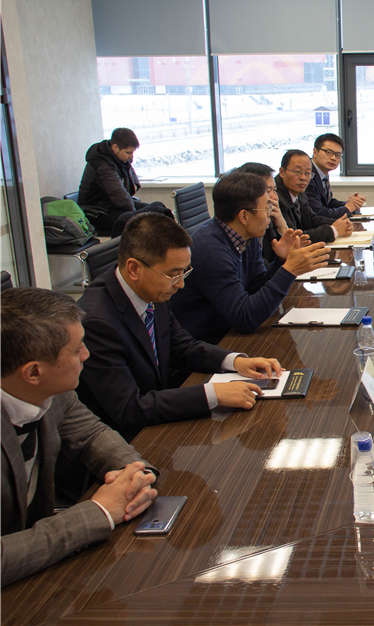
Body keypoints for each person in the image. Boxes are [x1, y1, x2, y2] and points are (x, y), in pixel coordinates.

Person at [76, 213, 283, 441]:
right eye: (173, 274)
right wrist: (212, 394)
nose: (181, 284)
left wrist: (235, 362)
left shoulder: (151, 288)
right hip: (128, 439)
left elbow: (181, 345)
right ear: (134, 269)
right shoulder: (96, 323)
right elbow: (129, 408)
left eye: (185, 272)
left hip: (158, 418)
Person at [1, 287, 158, 586]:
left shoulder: (52, 391)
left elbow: (92, 434)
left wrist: (134, 474)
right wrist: (98, 512)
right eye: (76, 350)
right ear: (33, 372)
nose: (86, 354)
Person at [171, 172, 331, 344]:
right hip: (210, 343)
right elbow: (246, 318)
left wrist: (281, 261)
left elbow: (255, 288)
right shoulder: (210, 250)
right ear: (244, 216)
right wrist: (289, 270)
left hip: (231, 334)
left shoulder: (247, 235)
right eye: (267, 208)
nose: (270, 213)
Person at [78, 128, 170, 234]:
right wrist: (136, 215)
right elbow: (120, 197)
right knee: (143, 222)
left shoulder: (118, 158)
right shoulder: (103, 165)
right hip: (96, 213)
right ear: (115, 147)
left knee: (158, 211)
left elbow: (129, 173)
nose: (131, 156)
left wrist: (135, 186)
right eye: (128, 153)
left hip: (112, 205)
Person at [274, 150, 354, 248]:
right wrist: (333, 230)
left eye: (308, 173)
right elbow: (294, 237)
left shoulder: (300, 192)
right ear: (282, 172)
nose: (303, 177)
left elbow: (312, 220)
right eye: (297, 172)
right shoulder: (275, 197)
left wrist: (341, 224)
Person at [306, 134, 366, 221]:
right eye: (328, 152)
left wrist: (350, 203)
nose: (333, 158)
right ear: (315, 152)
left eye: (338, 155)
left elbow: (328, 203)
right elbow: (319, 213)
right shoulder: (307, 175)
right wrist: (348, 208)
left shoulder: (322, 173)